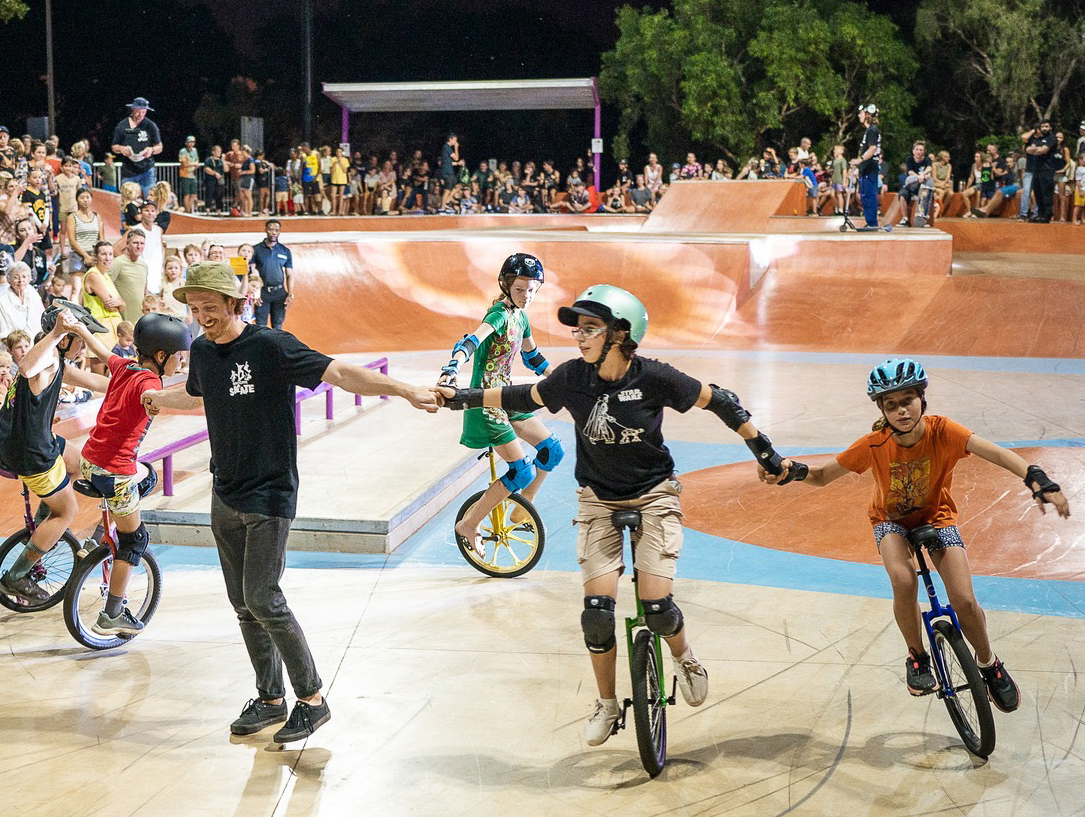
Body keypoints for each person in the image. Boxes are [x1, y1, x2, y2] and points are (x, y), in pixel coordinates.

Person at [439, 284, 797, 748]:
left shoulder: (654, 377)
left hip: (654, 496)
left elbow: (722, 401)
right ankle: (607, 704)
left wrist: (766, 453)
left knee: (658, 609)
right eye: (577, 329)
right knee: (596, 615)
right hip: (598, 501)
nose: (579, 337)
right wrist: (457, 398)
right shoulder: (573, 377)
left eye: (590, 328)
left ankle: (685, 657)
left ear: (621, 333)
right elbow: (519, 395)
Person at [141, 262, 439, 743]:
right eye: (194, 310)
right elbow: (198, 397)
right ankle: (270, 698)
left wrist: (404, 389)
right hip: (225, 492)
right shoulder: (200, 351)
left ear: (236, 304)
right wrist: (153, 399)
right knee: (242, 603)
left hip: (270, 492)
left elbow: (339, 372)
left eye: (210, 308)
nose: (202, 317)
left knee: (263, 597)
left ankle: (312, 699)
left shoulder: (271, 347)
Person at [763, 359, 1069, 709]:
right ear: (881, 409)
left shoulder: (944, 431)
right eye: (890, 405)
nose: (900, 410)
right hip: (889, 522)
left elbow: (997, 454)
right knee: (903, 579)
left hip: (937, 517)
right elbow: (820, 476)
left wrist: (1037, 479)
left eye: (907, 400)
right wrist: (790, 472)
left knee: (965, 602)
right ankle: (917, 656)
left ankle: (989, 663)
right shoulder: (873, 444)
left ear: (923, 399)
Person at [437, 254, 560, 557]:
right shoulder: (500, 315)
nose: (527, 296)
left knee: (552, 451)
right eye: (520, 290)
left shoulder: (522, 317)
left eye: (532, 290)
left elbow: (532, 357)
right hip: (486, 402)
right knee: (521, 471)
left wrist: (558, 379)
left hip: (507, 397)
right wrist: (451, 369)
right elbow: (472, 341)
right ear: (506, 286)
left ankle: (523, 506)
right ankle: (470, 524)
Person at [76, 312, 190, 636]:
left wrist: (80, 328)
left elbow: (102, 352)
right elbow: (151, 396)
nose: (180, 362)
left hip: (90, 458)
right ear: (161, 355)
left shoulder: (126, 365)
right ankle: (112, 613)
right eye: (178, 356)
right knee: (135, 540)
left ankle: (100, 535)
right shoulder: (150, 382)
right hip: (113, 471)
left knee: (149, 475)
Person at [0, 308, 111, 604]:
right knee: (67, 512)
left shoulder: (57, 361)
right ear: (62, 339)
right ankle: (17, 576)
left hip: (30, 440)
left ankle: (47, 522)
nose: (83, 345)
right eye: (79, 340)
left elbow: (99, 383)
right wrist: (57, 331)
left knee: (78, 462)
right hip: (29, 451)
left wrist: (139, 387)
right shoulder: (44, 363)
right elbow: (25, 368)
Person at [110, 97, 163, 200]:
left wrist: (151, 150)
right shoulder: (121, 126)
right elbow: (114, 146)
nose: (140, 115)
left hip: (147, 170)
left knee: (150, 200)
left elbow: (159, 146)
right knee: (127, 202)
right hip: (129, 171)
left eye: (143, 112)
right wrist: (121, 148)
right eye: (138, 111)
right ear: (132, 110)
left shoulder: (150, 126)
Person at [247, 220, 295, 330]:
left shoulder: (285, 251)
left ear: (280, 232)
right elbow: (253, 272)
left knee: (278, 325)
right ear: (266, 230)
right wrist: (256, 293)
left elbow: (290, 274)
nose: (273, 232)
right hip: (263, 293)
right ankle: (262, 347)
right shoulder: (256, 249)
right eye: (271, 229)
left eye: (276, 230)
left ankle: (276, 347)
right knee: (260, 325)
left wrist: (290, 294)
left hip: (280, 293)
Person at [1024, 119, 1063, 223]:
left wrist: (1035, 150)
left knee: (1046, 193)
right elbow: (1028, 149)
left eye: (1046, 126)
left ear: (1050, 128)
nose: (1044, 128)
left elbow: (1044, 150)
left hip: (1047, 169)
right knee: (1038, 193)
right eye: (1042, 127)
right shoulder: (1038, 139)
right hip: (1036, 169)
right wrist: (1037, 149)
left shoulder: (1052, 138)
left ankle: (1047, 215)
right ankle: (1040, 215)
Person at [109, 227, 150, 324]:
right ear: (127, 244)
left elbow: (145, 291)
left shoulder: (144, 266)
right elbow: (105, 284)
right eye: (135, 243)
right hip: (121, 319)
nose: (139, 246)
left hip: (139, 320)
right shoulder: (117, 263)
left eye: (142, 243)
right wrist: (118, 301)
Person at [854, 104, 882, 230]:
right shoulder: (869, 130)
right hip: (865, 169)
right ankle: (870, 222)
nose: (859, 115)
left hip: (870, 168)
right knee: (865, 196)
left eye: (861, 113)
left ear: (867, 115)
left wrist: (859, 160)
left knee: (869, 196)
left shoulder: (872, 130)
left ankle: (872, 223)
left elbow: (872, 149)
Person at [178, 136, 200, 214]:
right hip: (185, 175)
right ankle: (187, 211)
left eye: (193, 142)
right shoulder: (183, 151)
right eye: (190, 142)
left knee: (193, 194)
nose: (191, 144)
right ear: (186, 143)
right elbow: (184, 164)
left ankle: (189, 210)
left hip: (192, 174)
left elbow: (196, 159)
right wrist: (194, 164)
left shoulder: (194, 150)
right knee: (186, 194)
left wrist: (196, 164)